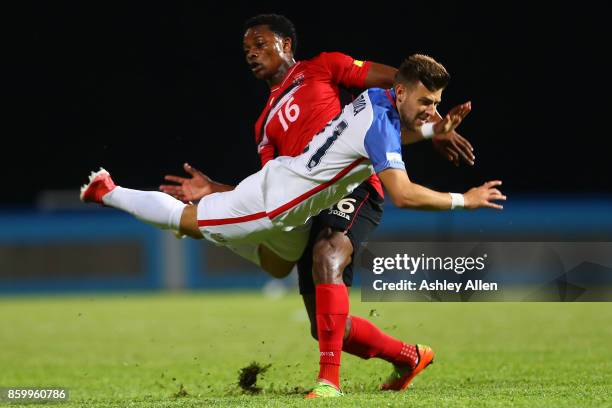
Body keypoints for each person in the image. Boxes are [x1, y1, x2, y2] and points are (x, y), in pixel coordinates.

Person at [81, 53, 506, 397]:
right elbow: (404, 194)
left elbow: (384, 139)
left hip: (290, 191)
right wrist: (463, 200)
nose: (430, 110)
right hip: (277, 205)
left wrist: (432, 128)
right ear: (399, 93)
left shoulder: (376, 102)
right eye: (425, 103)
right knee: (186, 220)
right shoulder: (379, 120)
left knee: (320, 275)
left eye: (434, 103)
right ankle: (105, 189)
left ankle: (330, 383)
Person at [159, 14, 477, 397]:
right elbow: (270, 189)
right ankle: (410, 356)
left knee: (329, 251)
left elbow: (402, 84)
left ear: (286, 44)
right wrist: (214, 189)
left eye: (260, 44)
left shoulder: (323, 67)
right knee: (328, 328)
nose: (252, 54)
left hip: (354, 185)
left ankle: (328, 384)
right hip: (307, 205)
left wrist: (433, 125)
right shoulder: (264, 124)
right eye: (246, 49)